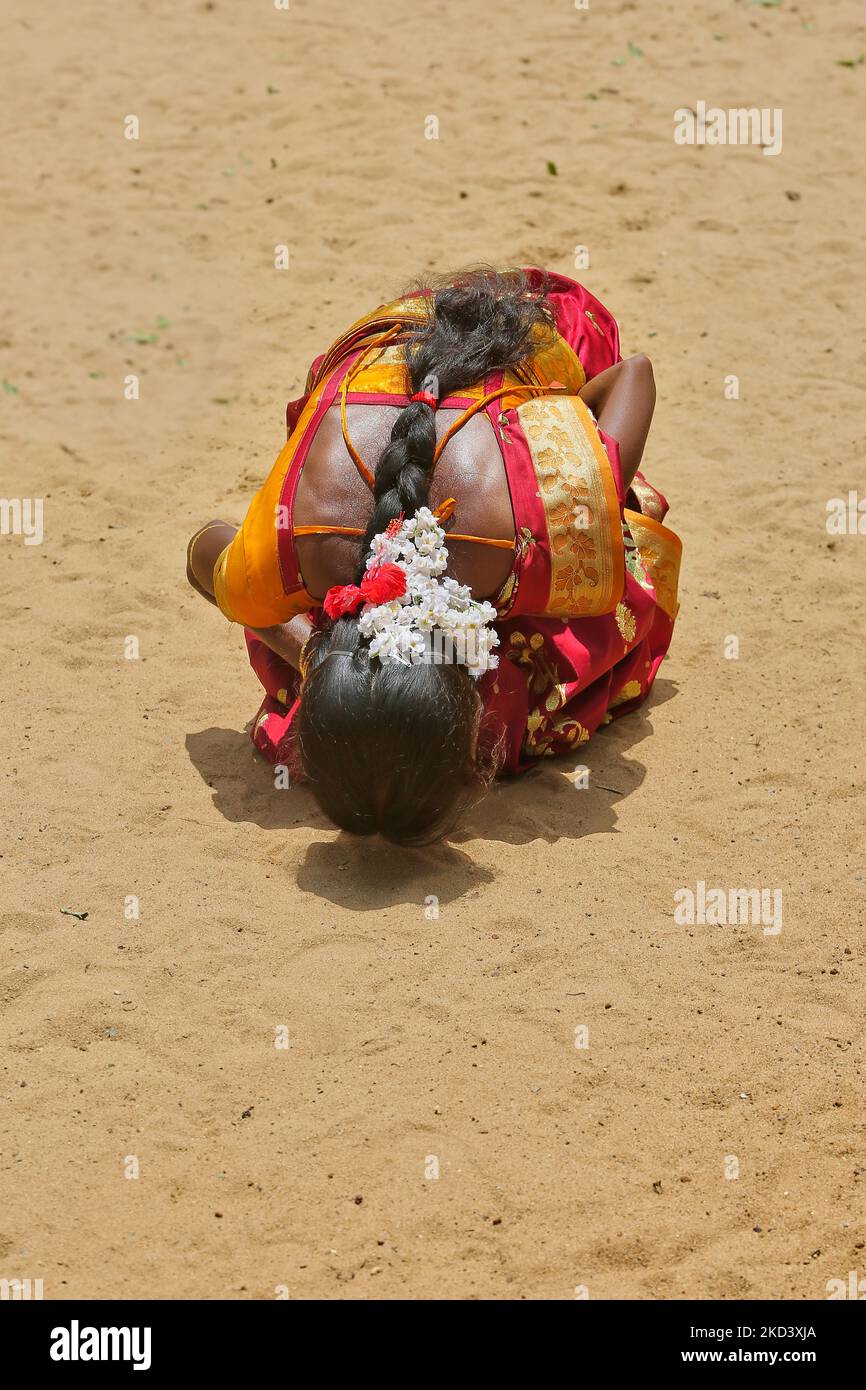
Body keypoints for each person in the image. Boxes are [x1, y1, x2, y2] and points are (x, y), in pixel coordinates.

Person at [186, 268, 681, 844]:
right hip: (379, 351)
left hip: (517, 328)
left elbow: (631, 374)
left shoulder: (533, 533)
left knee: (595, 577)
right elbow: (206, 550)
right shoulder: (300, 547)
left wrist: (590, 477)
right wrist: (313, 658)